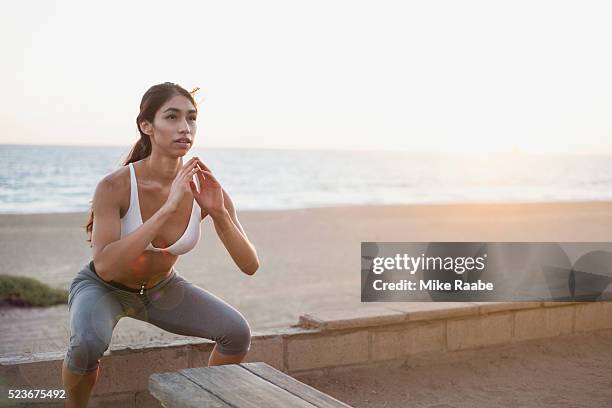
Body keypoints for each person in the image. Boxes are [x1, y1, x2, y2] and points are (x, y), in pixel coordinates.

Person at [62, 82, 260, 407]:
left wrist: (219, 212)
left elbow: (250, 265)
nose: (185, 127)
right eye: (172, 117)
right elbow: (106, 266)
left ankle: (203, 402)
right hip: (104, 288)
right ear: (147, 126)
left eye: (191, 118)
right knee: (86, 344)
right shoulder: (114, 186)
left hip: (161, 291)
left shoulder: (204, 187)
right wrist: (168, 207)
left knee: (237, 333)